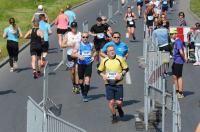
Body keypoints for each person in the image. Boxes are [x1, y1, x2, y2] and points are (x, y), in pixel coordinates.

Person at [97, 45, 129, 123]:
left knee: (119, 102)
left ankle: (119, 108)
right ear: (107, 53)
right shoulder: (104, 60)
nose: (112, 51)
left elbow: (126, 68)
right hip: (108, 84)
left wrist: (122, 74)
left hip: (118, 84)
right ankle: (114, 116)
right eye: (110, 50)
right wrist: (103, 75)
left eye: (113, 50)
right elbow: (99, 71)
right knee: (111, 102)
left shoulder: (120, 59)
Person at [72, 32, 96, 102]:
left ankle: (85, 95)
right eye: (83, 37)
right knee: (81, 81)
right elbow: (72, 54)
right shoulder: (78, 45)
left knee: (87, 81)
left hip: (88, 64)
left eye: (86, 37)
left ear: (88, 37)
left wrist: (93, 57)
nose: (85, 38)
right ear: (81, 37)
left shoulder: (91, 45)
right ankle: (82, 90)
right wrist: (78, 56)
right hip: (81, 64)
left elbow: (95, 52)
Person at [61, 22, 81, 94]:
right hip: (70, 55)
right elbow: (62, 45)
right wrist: (68, 44)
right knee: (72, 72)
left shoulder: (80, 34)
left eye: (75, 27)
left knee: (77, 70)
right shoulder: (67, 35)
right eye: (72, 28)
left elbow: (84, 43)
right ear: (71, 28)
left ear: (77, 27)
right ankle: (74, 84)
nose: (74, 29)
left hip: (77, 54)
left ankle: (77, 86)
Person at [170, 28, 187, 98]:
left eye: (172, 34)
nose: (171, 36)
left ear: (176, 34)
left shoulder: (178, 42)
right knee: (174, 76)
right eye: (170, 34)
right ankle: (176, 91)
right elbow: (185, 48)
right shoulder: (176, 41)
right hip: (175, 61)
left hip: (179, 61)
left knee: (179, 76)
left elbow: (181, 51)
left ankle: (180, 92)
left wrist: (184, 58)